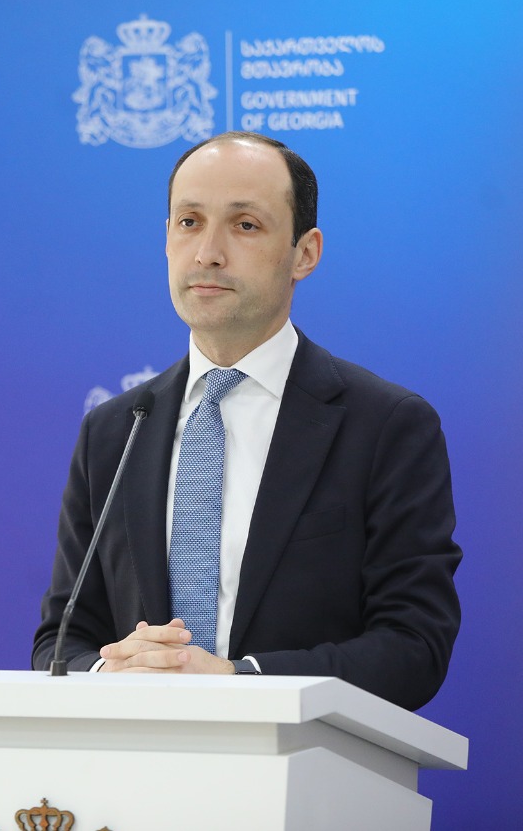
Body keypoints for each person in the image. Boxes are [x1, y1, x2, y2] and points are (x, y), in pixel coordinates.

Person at [32, 131, 461, 711]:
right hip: (133, 756)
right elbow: (61, 643)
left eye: (245, 225)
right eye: (189, 222)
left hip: (299, 759)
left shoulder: (385, 426)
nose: (207, 252)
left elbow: (414, 647)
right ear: (166, 239)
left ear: (304, 253)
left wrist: (240, 681)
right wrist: (112, 670)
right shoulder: (115, 430)